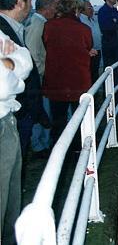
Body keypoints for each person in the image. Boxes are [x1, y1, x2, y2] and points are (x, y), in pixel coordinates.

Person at [0, 0, 50, 156]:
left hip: (20, 110)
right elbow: (16, 71)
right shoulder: (3, 30)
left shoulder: (13, 27)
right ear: (20, 2)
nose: (31, 5)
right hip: (14, 112)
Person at [42, 0, 96, 149]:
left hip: (56, 81)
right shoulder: (84, 29)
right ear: (77, 9)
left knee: (58, 121)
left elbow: (47, 45)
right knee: (81, 120)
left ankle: (59, 154)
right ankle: (80, 152)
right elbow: (88, 45)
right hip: (79, 81)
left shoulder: (49, 26)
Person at [0, 31, 33, 245]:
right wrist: (15, 76)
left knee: (11, 208)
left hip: (7, 121)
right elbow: (3, 88)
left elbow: (26, 60)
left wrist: (9, 63)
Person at [25, 0, 56, 157]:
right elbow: (32, 53)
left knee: (44, 109)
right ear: (47, 8)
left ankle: (42, 143)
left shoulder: (40, 23)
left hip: (40, 75)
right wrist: (40, 74)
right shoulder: (38, 25)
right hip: (38, 77)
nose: (56, 10)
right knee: (40, 109)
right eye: (54, 7)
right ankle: (38, 146)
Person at [80, 0, 102, 83]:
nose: (92, 9)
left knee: (95, 74)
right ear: (82, 9)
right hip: (89, 52)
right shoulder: (81, 20)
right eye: (89, 7)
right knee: (89, 75)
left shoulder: (93, 19)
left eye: (92, 7)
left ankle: (95, 94)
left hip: (97, 51)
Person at [97, 0, 118, 67]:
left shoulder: (115, 10)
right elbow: (106, 28)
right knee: (110, 69)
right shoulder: (103, 11)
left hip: (117, 45)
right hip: (109, 46)